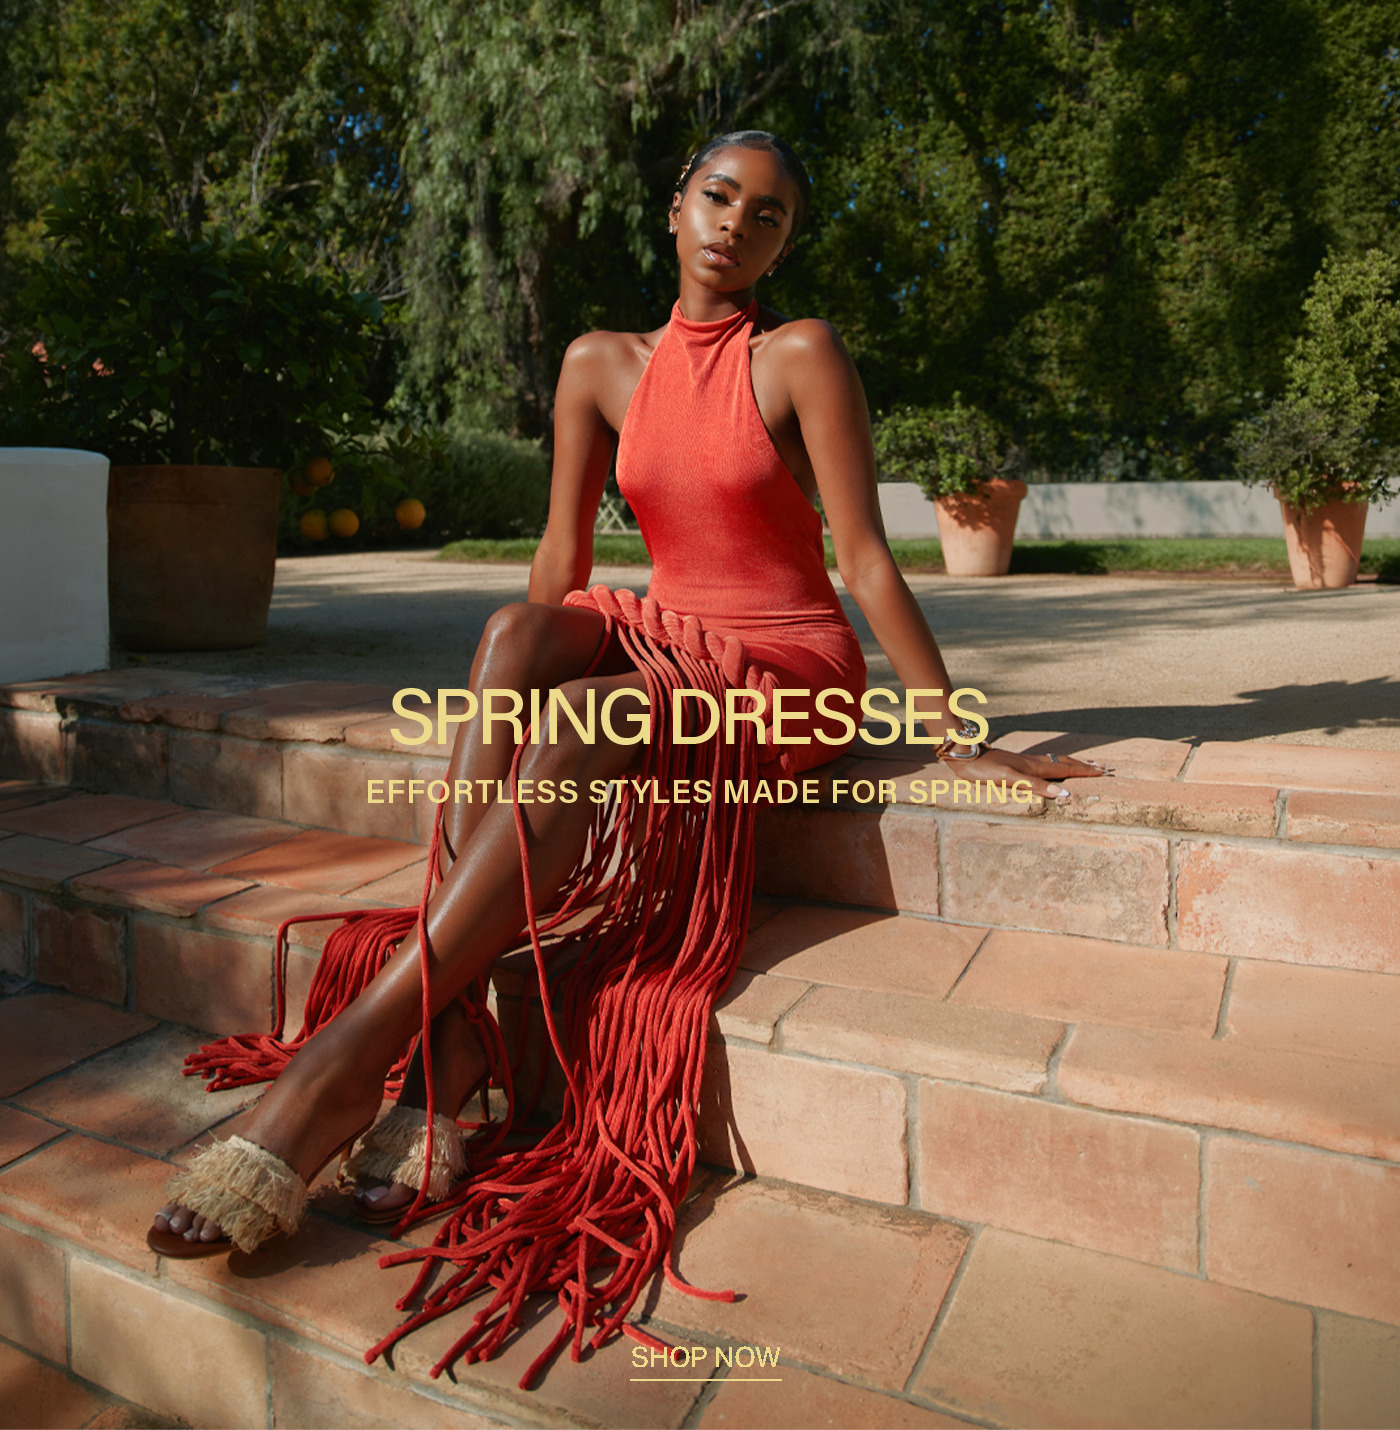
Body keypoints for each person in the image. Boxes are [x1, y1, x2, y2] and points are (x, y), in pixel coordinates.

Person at [146, 130, 1099, 1374]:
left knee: (580, 741)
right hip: (662, 628)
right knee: (510, 630)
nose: (736, 228)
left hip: (780, 669)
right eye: (718, 198)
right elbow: (559, 563)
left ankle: (352, 1065)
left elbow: (862, 556)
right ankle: (446, 1030)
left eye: (767, 218)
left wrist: (954, 730)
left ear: (782, 245)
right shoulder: (599, 363)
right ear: (673, 208)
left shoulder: (796, 354)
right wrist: (533, 643)